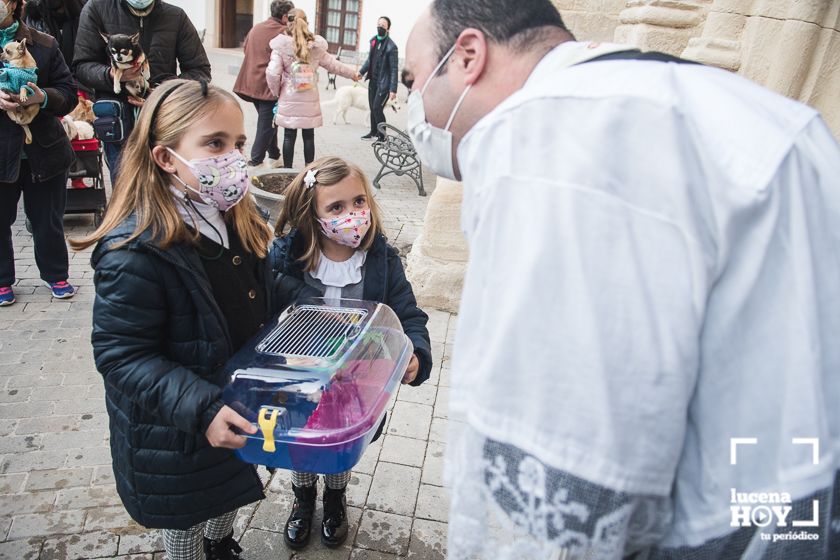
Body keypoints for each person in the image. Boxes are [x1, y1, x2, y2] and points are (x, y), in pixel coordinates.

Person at [404, 1, 840, 559]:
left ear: (468, 55)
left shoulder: (544, 137)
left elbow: (570, 430)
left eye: (415, 81)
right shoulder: (741, 108)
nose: (413, 107)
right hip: (795, 490)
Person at [70, 79, 274, 560]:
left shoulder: (236, 216)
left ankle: (222, 545)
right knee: (186, 522)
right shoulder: (135, 250)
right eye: (215, 144)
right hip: (178, 432)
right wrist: (201, 409)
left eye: (239, 144)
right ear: (165, 158)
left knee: (229, 493)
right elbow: (122, 356)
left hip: (234, 411)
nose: (233, 158)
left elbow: (263, 295)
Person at [270, 156, 432, 549]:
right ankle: (303, 498)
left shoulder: (381, 259)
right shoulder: (287, 258)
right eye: (337, 207)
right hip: (300, 377)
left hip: (356, 381)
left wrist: (416, 354)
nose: (352, 214)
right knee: (302, 442)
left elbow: (406, 312)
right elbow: (265, 312)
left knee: (340, 442)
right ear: (314, 214)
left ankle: (336, 498)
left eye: (358, 202)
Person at [73, 0, 211, 182]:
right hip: (118, 124)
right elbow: (82, 66)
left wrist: (164, 92)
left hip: (164, 122)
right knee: (126, 194)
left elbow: (200, 71)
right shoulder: (97, 9)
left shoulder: (175, 16)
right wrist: (113, 75)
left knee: (166, 193)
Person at [0, 0, 78, 306]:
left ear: (16, 4)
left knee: (48, 219)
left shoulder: (44, 43)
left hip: (43, 150)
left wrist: (44, 97)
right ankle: (2, 281)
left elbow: (68, 91)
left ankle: (56, 274)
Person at [266, 9, 359, 169]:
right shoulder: (316, 47)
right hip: (310, 96)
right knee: (309, 136)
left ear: (287, 23)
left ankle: (288, 172)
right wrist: (352, 74)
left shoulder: (280, 47)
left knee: (289, 136)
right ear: (307, 23)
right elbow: (333, 65)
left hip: (289, 97)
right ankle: (309, 171)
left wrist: (276, 91)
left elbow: (273, 73)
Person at [233, 0, 293, 168]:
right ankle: (255, 161)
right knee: (266, 124)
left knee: (269, 121)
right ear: (284, 16)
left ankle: (274, 155)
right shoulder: (283, 32)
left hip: (251, 83)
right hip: (269, 85)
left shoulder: (257, 27)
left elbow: (246, 48)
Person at [359, 16, 397, 141]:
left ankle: (382, 136)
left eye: (383, 25)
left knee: (377, 108)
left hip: (384, 85)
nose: (380, 27)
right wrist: (361, 72)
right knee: (372, 107)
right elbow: (369, 60)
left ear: (388, 28)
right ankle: (373, 132)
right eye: (379, 24)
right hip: (373, 81)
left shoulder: (391, 47)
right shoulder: (374, 41)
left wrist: (393, 89)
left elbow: (394, 69)